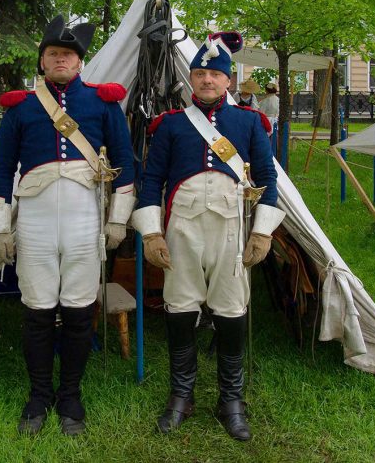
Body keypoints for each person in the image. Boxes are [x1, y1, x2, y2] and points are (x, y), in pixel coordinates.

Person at [0, 15, 135, 436]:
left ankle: (70, 396)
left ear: (79, 62)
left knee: (78, 312)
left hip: (85, 222)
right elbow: (0, 171)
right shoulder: (21, 108)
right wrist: (0, 226)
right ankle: (38, 396)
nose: (61, 59)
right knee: (36, 311)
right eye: (53, 54)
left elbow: (124, 164)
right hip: (33, 223)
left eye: (68, 54)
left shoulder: (103, 103)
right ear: (42, 62)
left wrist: (117, 220)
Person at [130, 32, 285, 441]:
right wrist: (150, 234)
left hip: (231, 228)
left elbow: (267, 179)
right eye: (199, 74)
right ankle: (182, 395)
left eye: (214, 75)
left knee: (231, 310)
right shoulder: (169, 126)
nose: (206, 81)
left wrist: (263, 232)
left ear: (228, 81)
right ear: (191, 79)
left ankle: (230, 400)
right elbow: (152, 182)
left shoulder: (250, 123)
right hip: (181, 229)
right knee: (180, 308)